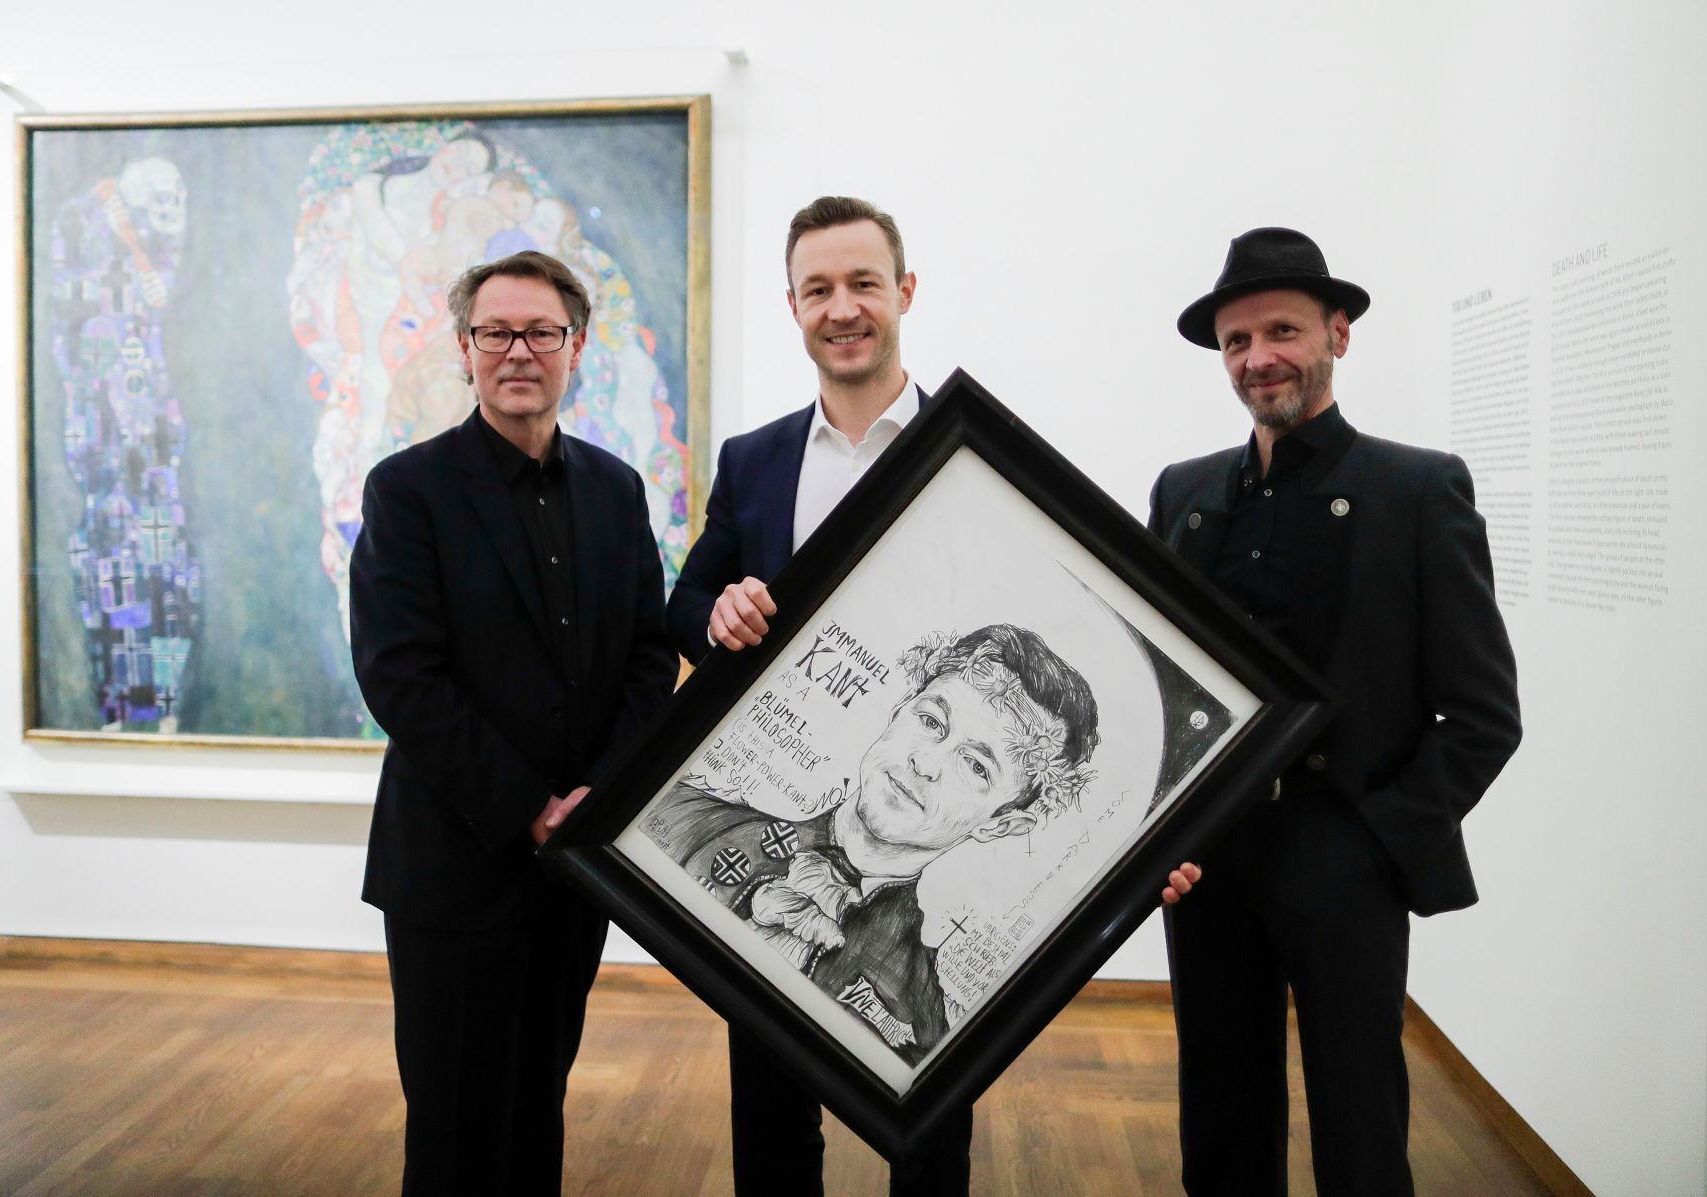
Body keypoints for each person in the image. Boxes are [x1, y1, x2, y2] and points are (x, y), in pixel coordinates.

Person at [668, 195, 1199, 1197]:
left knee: (930, 1145)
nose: (842, 308)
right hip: (756, 901)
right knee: (767, 1123)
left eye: (862, 283)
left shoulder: (978, 459)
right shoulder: (756, 461)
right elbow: (687, 599)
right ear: (791, 306)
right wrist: (716, 613)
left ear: (903, 292)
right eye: (817, 288)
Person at [1149, 227, 1522, 1196]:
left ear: (1336, 336)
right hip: (1209, 857)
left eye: (1280, 331)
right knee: (1219, 1123)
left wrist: (1379, 839)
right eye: (1235, 341)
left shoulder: (1414, 487)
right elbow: (1158, 687)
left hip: (1343, 854)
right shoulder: (1182, 493)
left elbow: (1482, 712)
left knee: (1360, 1131)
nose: (1257, 358)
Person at [350, 250, 677, 1196]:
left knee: (538, 1106)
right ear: (464, 349)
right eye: (497, 332)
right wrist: (531, 805)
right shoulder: (407, 490)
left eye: (541, 331)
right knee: (454, 1130)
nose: (518, 350)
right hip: (455, 867)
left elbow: (649, 656)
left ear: (576, 347)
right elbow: (401, 677)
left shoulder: (616, 491)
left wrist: (598, 800)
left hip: (571, 871)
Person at [647, 623, 1099, 1063]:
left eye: (977, 767)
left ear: (1001, 824)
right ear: (900, 708)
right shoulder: (679, 814)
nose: (925, 762)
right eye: (931, 721)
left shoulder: (924, 1018)